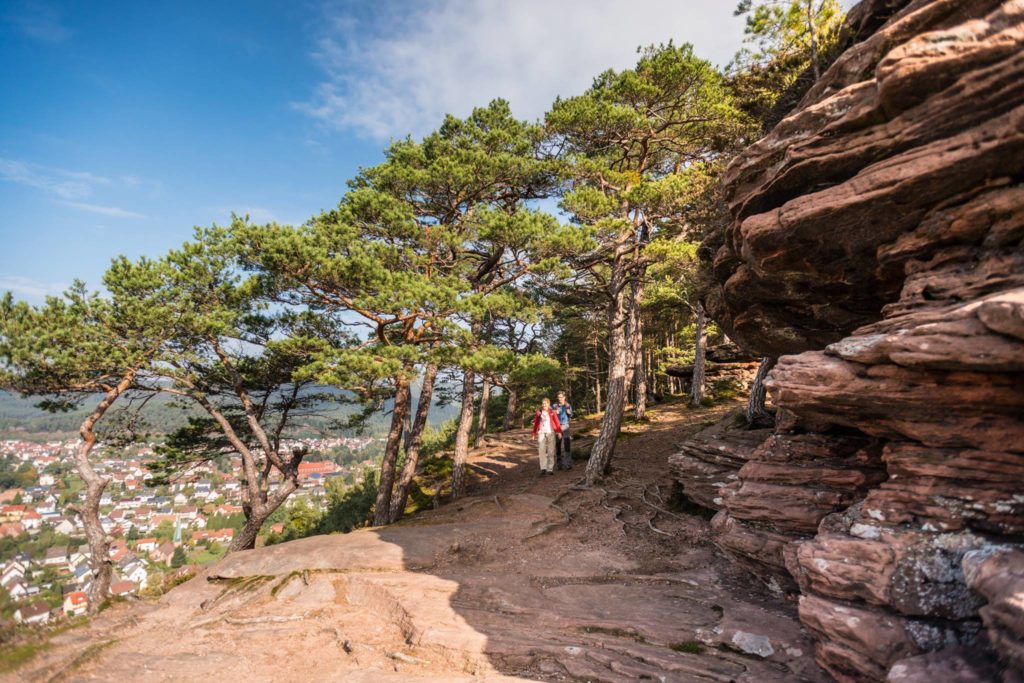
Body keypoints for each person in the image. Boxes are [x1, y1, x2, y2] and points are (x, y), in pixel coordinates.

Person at [532, 397, 562, 476]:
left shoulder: (552, 412)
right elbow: (536, 424)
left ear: (548, 404)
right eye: (543, 404)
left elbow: (557, 422)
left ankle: (550, 469)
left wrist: (559, 432)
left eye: (545, 404)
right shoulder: (539, 412)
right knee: (541, 450)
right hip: (541, 433)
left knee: (551, 451)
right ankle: (543, 468)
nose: (543, 405)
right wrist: (534, 434)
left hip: (551, 432)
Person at [554, 391, 573, 470]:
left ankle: (568, 463)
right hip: (557, 427)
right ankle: (559, 463)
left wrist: (569, 412)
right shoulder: (555, 405)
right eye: (558, 397)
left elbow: (570, 415)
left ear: (564, 397)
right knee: (558, 445)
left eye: (561, 397)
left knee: (566, 444)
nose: (560, 399)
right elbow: (552, 415)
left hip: (565, 426)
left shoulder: (568, 405)